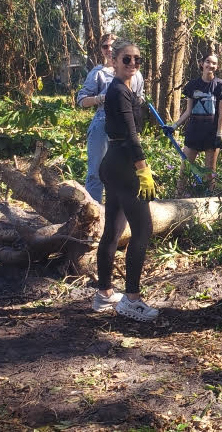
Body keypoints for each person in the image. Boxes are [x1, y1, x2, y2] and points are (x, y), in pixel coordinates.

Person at [93, 40, 160, 322]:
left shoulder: (127, 89)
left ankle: (104, 293)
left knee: (114, 228)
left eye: (137, 60)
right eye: (126, 59)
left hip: (114, 163)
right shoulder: (118, 90)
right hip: (123, 165)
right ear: (115, 61)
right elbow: (132, 137)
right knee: (142, 230)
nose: (132, 64)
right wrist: (143, 169)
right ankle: (131, 299)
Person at [76, 34, 144, 203]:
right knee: (96, 172)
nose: (109, 49)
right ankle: (92, 213)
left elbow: (140, 98)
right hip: (102, 123)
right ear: (101, 50)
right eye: (105, 46)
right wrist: (100, 98)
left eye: (112, 46)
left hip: (126, 127)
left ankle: (117, 215)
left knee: (122, 172)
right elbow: (81, 100)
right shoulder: (97, 73)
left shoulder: (135, 72)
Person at [166, 53, 222, 195]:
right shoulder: (192, 85)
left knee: (210, 172)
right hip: (194, 132)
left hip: (211, 135)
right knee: (185, 169)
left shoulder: (221, 86)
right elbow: (188, 111)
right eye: (208, 62)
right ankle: (177, 197)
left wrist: (219, 134)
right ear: (202, 64)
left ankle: (209, 200)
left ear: (217, 66)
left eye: (214, 63)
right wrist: (174, 126)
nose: (210, 65)